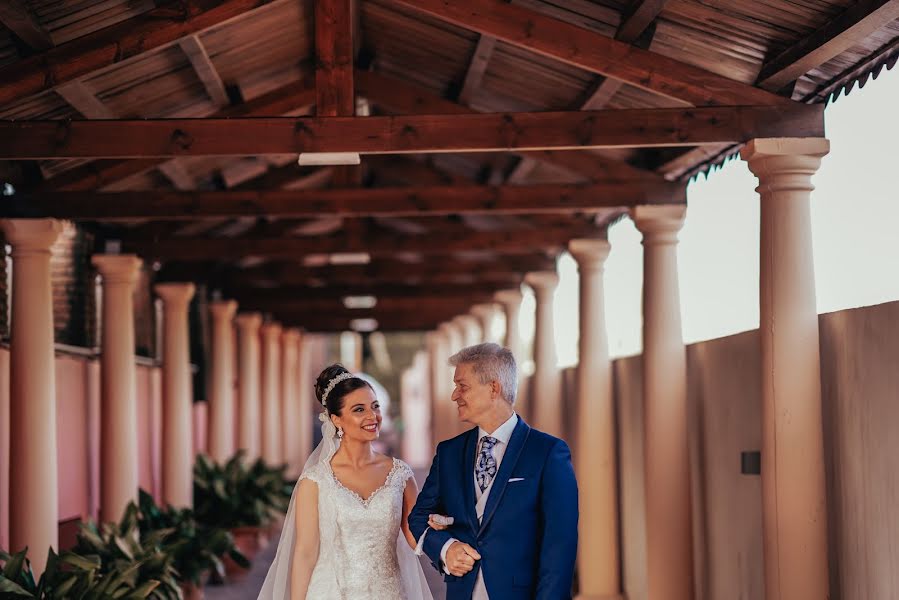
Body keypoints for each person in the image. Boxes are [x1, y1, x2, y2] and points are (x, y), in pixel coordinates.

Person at [409, 343, 579, 599]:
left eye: (462, 386)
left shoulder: (547, 453)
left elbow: (560, 546)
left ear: (493, 388)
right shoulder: (449, 453)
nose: (455, 395)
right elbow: (418, 517)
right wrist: (446, 547)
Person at [257, 364, 433, 599]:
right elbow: (305, 553)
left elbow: (414, 538)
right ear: (336, 419)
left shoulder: (400, 474)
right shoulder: (315, 481)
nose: (372, 416)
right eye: (359, 410)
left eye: (375, 406)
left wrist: (437, 526)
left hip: (390, 592)